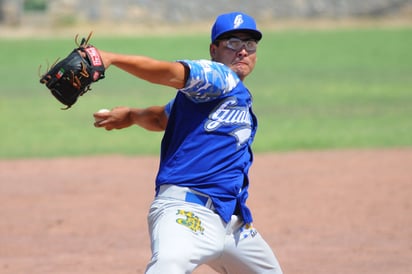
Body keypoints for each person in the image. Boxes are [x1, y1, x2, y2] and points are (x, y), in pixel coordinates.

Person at [93, 11, 283, 274]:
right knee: (167, 268)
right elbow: (170, 73)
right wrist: (112, 59)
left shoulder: (221, 95)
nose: (242, 51)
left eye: (249, 44)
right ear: (214, 50)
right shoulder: (219, 76)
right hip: (186, 213)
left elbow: (162, 118)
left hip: (229, 220)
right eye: (232, 43)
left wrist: (133, 115)